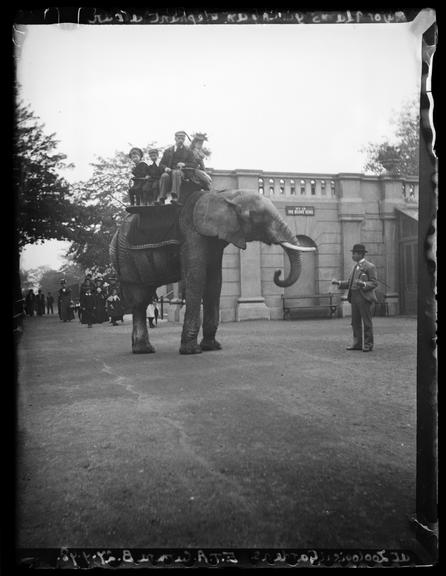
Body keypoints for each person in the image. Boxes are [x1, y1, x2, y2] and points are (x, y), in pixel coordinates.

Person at [331, 244, 378, 352]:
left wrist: (364, 284)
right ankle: (357, 343)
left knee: (366, 322)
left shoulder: (370, 266)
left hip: (364, 297)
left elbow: (374, 283)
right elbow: (349, 283)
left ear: (361, 254)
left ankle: (368, 344)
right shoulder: (354, 267)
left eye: (354, 253)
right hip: (354, 297)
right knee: (355, 322)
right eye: (353, 253)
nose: (352, 255)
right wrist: (337, 282)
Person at [158, 131, 191, 204]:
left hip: (182, 173)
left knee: (176, 172)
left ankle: (175, 197)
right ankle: (161, 198)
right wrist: (165, 168)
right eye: (179, 138)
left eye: (182, 139)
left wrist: (184, 164)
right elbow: (161, 164)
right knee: (164, 175)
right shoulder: (168, 151)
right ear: (175, 138)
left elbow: (194, 164)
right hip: (170, 171)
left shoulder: (188, 151)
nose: (181, 140)